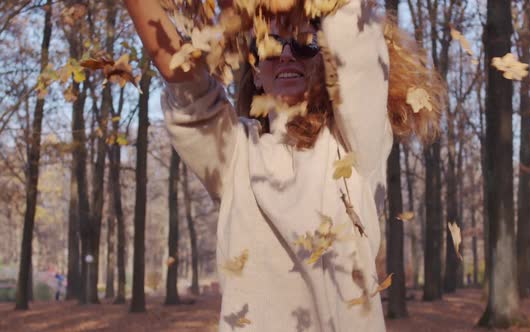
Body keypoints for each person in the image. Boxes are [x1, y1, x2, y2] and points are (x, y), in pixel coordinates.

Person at [124, 0, 441, 330]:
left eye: (305, 43)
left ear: (326, 62)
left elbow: (354, 37)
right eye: (271, 46)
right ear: (257, 71)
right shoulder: (236, 157)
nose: (288, 53)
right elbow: (184, 79)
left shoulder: (354, 147)